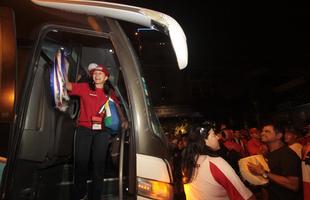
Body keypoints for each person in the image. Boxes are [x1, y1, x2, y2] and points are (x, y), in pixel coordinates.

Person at [66, 63, 127, 200]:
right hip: (84, 129)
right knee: (81, 163)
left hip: (102, 132)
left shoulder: (109, 93)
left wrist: (123, 120)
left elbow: (118, 108)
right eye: (95, 73)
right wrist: (62, 68)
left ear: (106, 77)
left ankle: (96, 196)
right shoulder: (85, 87)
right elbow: (67, 85)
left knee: (98, 165)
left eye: (100, 74)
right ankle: (81, 194)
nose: (97, 75)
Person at [181, 125, 255, 200]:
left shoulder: (189, 162)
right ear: (204, 140)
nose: (218, 137)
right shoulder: (215, 163)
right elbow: (244, 196)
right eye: (213, 135)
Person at [248, 122, 302, 200]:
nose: (262, 133)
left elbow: (293, 185)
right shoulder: (269, 153)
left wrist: (264, 172)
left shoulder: (287, 154)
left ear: (279, 135)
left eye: (267, 131)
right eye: (262, 131)